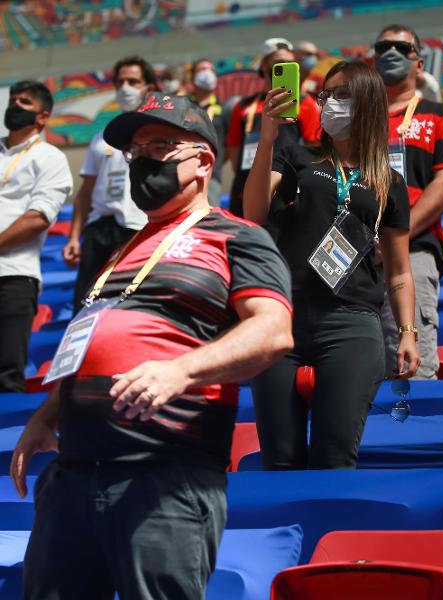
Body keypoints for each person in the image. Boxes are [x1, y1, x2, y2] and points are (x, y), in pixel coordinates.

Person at [11, 92, 293, 599]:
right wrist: (46, 416)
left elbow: (272, 331)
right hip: (74, 476)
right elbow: (93, 340)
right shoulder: (124, 249)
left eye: (159, 145)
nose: (141, 160)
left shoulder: (237, 236)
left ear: (203, 160)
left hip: (164, 476)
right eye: (134, 152)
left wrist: (180, 371)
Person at [243, 61, 420, 470]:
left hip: (352, 322)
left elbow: (398, 269)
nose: (329, 103)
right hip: (281, 318)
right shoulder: (295, 157)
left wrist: (407, 332)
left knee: (335, 455)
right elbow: (252, 214)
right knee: (280, 458)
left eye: (343, 95)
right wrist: (267, 138)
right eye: (326, 95)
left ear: (369, 104)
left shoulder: (388, 182)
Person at [374, 24, 443, 379]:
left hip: (414, 248)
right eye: (383, 47)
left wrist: (397, 236)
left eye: (402, 48)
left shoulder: (440, 114)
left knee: (410, 370)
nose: (391, 53)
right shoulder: (356, 120)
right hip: (356, 255)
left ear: (419, 63)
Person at [63, 56, 157, 312]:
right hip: (99, 229)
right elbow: (86, 192)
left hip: (140, 227)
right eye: (120, 82)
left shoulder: (161, 133)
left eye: (133, 81)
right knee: (86, 302)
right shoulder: (101, 137)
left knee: (131, 304)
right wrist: (74, 236)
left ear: (149, 86)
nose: (125, 87)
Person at [0, 80, 73, 392]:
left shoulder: (50, 157)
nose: (15, 105)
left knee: (4, 375)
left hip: (13, 277)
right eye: (13, 99)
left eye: (25, 102)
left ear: (43, 117)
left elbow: (39, 217)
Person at [226, 37, 321, 217]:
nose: (284, 67)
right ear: (264, 66)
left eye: (289, 63)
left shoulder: (306, 104)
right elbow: (234, 147)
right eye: (278, 63)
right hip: (244, 189)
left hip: (285, 191)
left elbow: (314, 149)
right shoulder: (243, 106)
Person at [190, 58, 225, 207]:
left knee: (209, 217)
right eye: (202, 70)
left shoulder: (223, 108)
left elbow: (230, 144)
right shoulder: (184, 106)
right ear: (192, 77)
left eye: (210, 70)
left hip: (212, 175)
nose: (207, 74)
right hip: (184, 171)